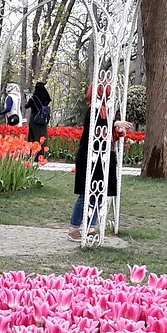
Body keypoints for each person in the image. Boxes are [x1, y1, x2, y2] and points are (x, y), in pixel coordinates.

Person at [68, 85, 128, 241]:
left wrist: (117, 132)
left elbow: (106, 130)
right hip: (91, 157)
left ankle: (91, 227)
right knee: (86, 193)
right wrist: (114, 124)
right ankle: (74, 228)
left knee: (99, 193)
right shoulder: (94, 110)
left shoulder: (105, 111)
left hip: (103, 157)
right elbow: (98, 125)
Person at [26, 81, 52, 156]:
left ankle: (34, 154)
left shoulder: (33, 98)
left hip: (34, 119)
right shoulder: (46, 98)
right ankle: (42, 154)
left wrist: (28, 99)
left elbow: (26, 106)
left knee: (34, 137)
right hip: (43, 120)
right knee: (42, 136)